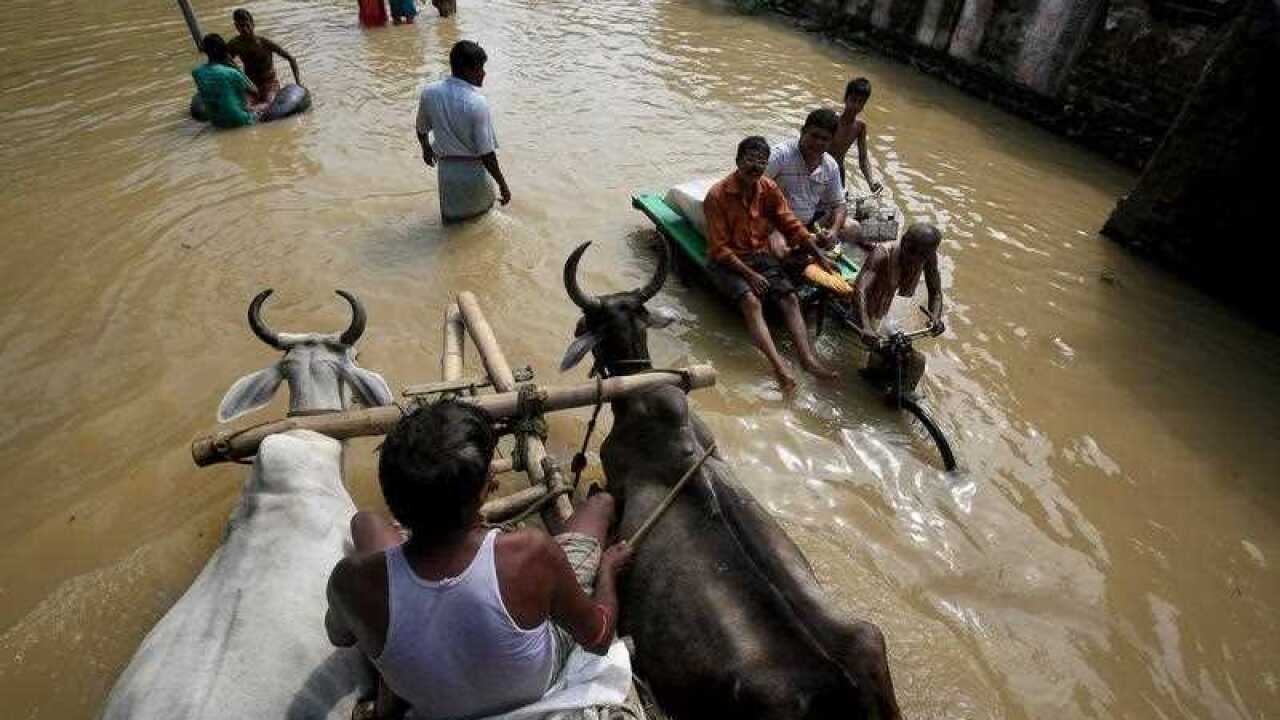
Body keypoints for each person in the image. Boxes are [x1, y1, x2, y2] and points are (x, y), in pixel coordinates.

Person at [325, 400, 633, 720]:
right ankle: (605, 504)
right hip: (536, 685)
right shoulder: (528, 553)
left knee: (364, 522)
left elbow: (340, 636)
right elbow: (597, 639)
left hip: (436, 703)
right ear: (487, 489)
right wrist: (607, 571)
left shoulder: (350, 582)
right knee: (599, 505)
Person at [705, 136, 840, 390]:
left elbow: (790, 223)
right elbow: (719, 249)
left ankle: (808, 360)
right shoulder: (717, 195)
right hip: (725, 262)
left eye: (761, 162)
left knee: (790, 297)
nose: (755, 167)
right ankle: (779, 366)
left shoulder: (767, 187)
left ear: (766, 164)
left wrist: (820, 255)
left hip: (758, 255)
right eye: (750, 160)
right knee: (751, 301)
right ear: (737, 161)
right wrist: (750, 275)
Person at [416, 41, 512, 223]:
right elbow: (487, 154)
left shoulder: (429, 93)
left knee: (451, 225)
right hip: (473, 175)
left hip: (446, 174)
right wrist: (503, 185)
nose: (484, 73)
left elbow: (421, 129)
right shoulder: (477, 102)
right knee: (482, 225)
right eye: (480, 68)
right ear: (467, 70)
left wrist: (426, 148)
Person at [849, 222, 946, 393]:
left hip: (887, 303)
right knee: (875, 348)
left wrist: (935, 317)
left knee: (915, 359)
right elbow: (860, 289)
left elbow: (936, 292)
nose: (914, 258)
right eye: (911, 250)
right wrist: (865, 326)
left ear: (929, 253)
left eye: (921, 255)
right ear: (904, 240)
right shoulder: (883, 253)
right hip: (871, 301)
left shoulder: (928, 258)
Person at [766, 107, 859, 252]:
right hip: (776, 223)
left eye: (824, 139)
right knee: (780, 249)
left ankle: (813, 245)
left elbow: (839, 205)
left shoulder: (830, 165)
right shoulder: (780, 155)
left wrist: (833, 232)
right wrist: (771, 228)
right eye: (814, 136)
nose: (818, 143)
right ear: (803, 132)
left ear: (831, 141)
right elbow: (751, 189)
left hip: (808, 222)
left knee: (853, 228)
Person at [227, 9, 300, 109]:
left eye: (247, 25)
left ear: (253, 24)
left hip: (269, 84)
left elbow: (291, 59)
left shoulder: (264, 43)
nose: (245, 29)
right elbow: (224, 61)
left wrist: (298, 83)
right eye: (241, 26)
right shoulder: (235, 44)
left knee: (269, 105)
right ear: (236, 27)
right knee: (245, 107)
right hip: (250, 84)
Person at [191, 33, 258, 129]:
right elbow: (255, 92)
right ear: (223, 51)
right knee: (258, 109)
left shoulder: (197, 73)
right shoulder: (231, 72)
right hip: (239, 120)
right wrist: (235, 66)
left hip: (216, 122)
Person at [830, 78, 882, 195]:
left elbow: (863, 159)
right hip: (819, 167)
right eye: (853, 100)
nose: (856, 106)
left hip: (838, 171)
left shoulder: (860, 127)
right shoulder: (832, 120)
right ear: (845, 99)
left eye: (861, 102)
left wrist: (871, 182)